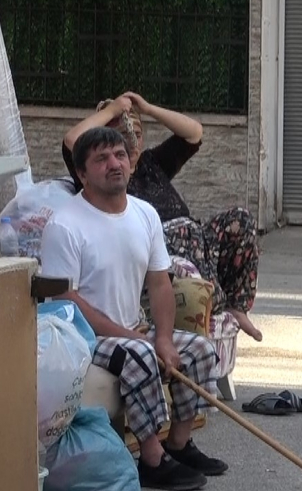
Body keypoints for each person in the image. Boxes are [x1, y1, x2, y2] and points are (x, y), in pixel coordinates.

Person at [38, 126, 228, 491]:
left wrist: (165, 339)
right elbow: (66, 301)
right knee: (138, 354)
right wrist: (132, 337)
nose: (114, 164)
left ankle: (179, 444)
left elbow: (160, 283)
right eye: (102, 159)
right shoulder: (64, 224)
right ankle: (152, 459)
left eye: (120, 155)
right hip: (82, 338)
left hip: (132, 330)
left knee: (199, 350)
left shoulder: (145, 214)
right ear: (82, 174)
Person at [61, 92, 264, 342]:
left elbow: (194, 132)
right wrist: (112, 111)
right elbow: (72, 141)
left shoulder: (151, 163)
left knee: (240, 219)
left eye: (137, 135)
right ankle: (214, 298)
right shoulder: (102, 176)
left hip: (198, 241)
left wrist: (148, 109)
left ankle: (236, 306)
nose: (131, 144)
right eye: (123, 138)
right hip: (168, 252)